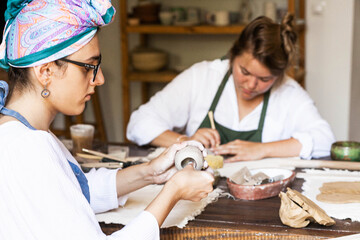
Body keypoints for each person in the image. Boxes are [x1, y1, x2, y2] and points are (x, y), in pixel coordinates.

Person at [0, 0, 214, 239]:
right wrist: (173, 192)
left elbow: (78, 193)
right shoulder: (29, 148)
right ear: (45, 72)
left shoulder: (22, 133)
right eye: (88, 67)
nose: (99, 79)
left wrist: (152, 172)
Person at [127, 14, 335, 162]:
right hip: (195, 193)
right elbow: (138, 123)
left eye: (265, 79)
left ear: (278, 75)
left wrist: (262, 150)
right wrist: (185, 140)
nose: (251, 85)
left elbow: (325, 140)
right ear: (232, 56)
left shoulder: (288, 93)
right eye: (244, 71)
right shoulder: (202, 77)